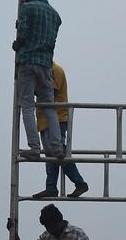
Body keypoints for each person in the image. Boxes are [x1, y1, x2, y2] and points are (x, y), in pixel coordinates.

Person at [13, 0, 63, 160]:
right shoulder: (55, 16)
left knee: (27, 105)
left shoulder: (27, 8)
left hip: (27, 62)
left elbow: (23, 34)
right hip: (46, 65)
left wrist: (16, 44)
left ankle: (34, 148)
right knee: (49, 106)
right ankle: (57, 147)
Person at [32, 61, 88, 199]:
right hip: (45, 121)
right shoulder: (46, 72)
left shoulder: (55, 70)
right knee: (51, 155)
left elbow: (49, 91)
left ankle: (79, 183)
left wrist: (29, 85)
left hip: (57, 119)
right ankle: (51, 187)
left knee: (58, 152)